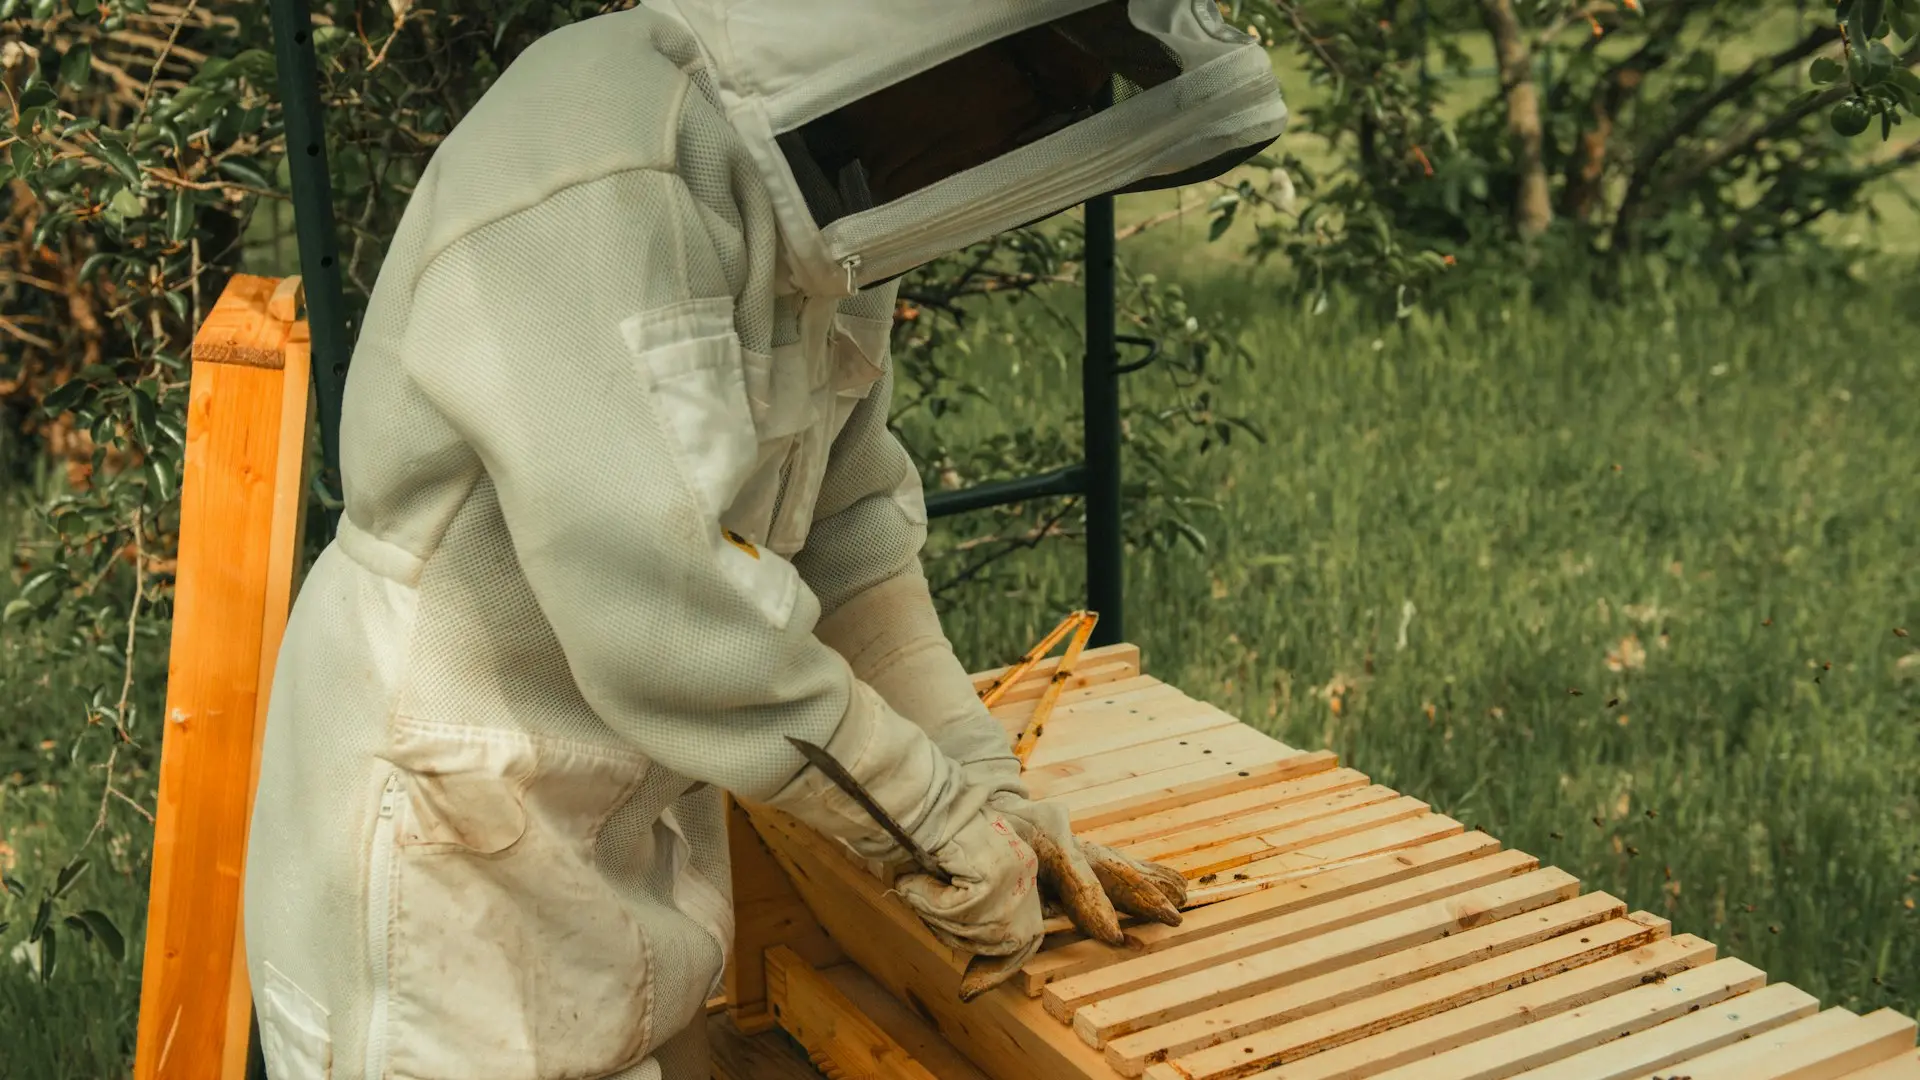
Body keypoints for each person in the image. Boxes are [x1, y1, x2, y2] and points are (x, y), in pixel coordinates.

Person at [242, 3, 1287, 1078]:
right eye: (1034, 86)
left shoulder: (831, 202)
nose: (1034, 132)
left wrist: (993, 799)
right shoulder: (608, 169)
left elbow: (848, 537)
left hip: (623, 821)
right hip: (448, 847)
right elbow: (666, 612)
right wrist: (932, 821)